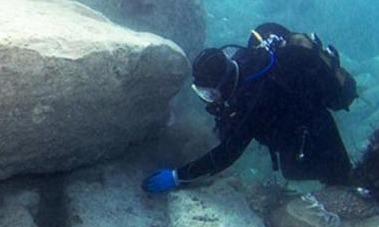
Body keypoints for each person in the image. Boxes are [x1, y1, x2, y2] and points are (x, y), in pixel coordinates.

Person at [143, 22, 357, 193]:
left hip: (316, 127)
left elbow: (227, 153)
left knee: (342, 178)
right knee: (292, 171)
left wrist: (176, 176)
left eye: (209, 94)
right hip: (298, 123)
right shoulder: (243, 61)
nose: (209, 100)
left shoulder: (256, 97)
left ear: (224, 83)